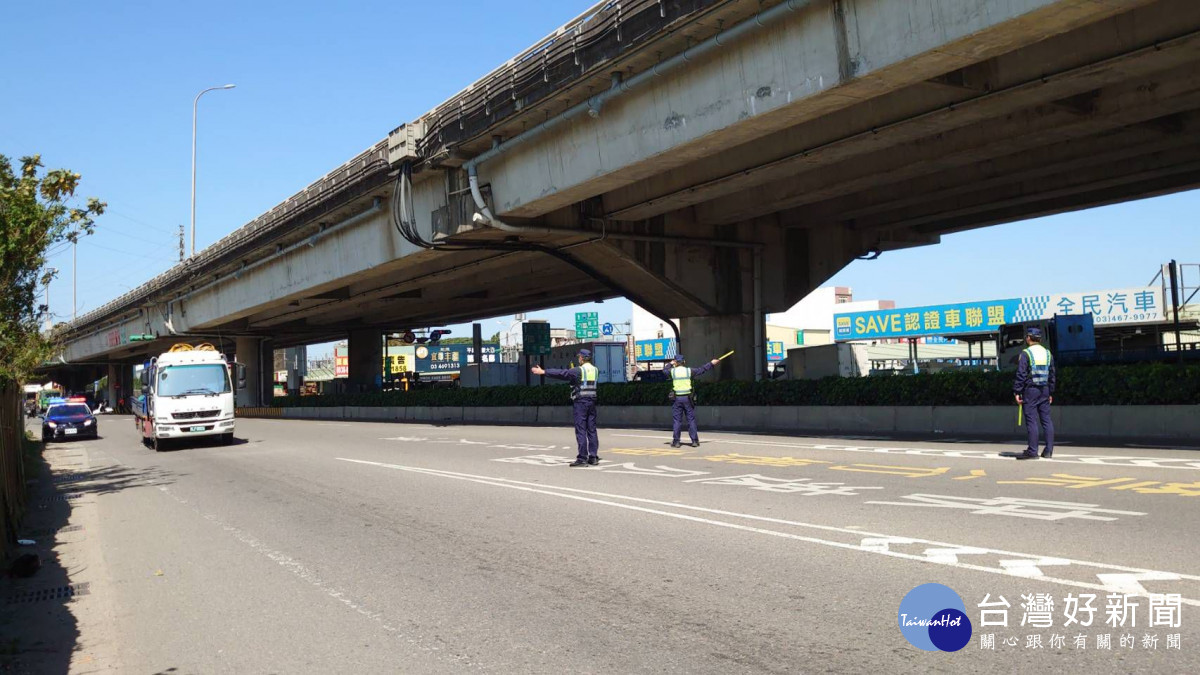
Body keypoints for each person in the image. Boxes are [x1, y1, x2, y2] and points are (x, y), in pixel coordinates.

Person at [532, 349, 600, 467]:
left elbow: (562, 373)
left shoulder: (579, 370)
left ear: (582, 358)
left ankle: (582, 458)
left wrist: (543, 371)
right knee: (592, 430)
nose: (578, 358)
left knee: (581, 430)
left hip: (581, 403)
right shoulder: (595, 370)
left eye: (579, 357)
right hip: (592, 402)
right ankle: (593, 457)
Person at [1013, 327, 1056, 460]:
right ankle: (1048, 451)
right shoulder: (1048, 353)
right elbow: (1052, 374)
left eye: (1026, 336)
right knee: (1046, 420)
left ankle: (1032, 451)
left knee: (1031, 421)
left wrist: (1017, 391)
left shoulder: (1026, 353)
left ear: (1029, 338)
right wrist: (1050, 392)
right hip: (1045, 390)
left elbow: (1021, 374)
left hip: (1031, 391)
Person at [664, 354, 721, 448]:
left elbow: (664, 371)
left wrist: (670, 364)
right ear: (684, 362)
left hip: (677, 399)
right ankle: (694, 441)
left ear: (676, 362)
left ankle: (676, 442)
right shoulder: (689, 371)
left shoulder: (672, 371)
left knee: (677, 421)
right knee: (691, 420)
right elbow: (702, 369)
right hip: (688, 399)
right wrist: (711, 363)